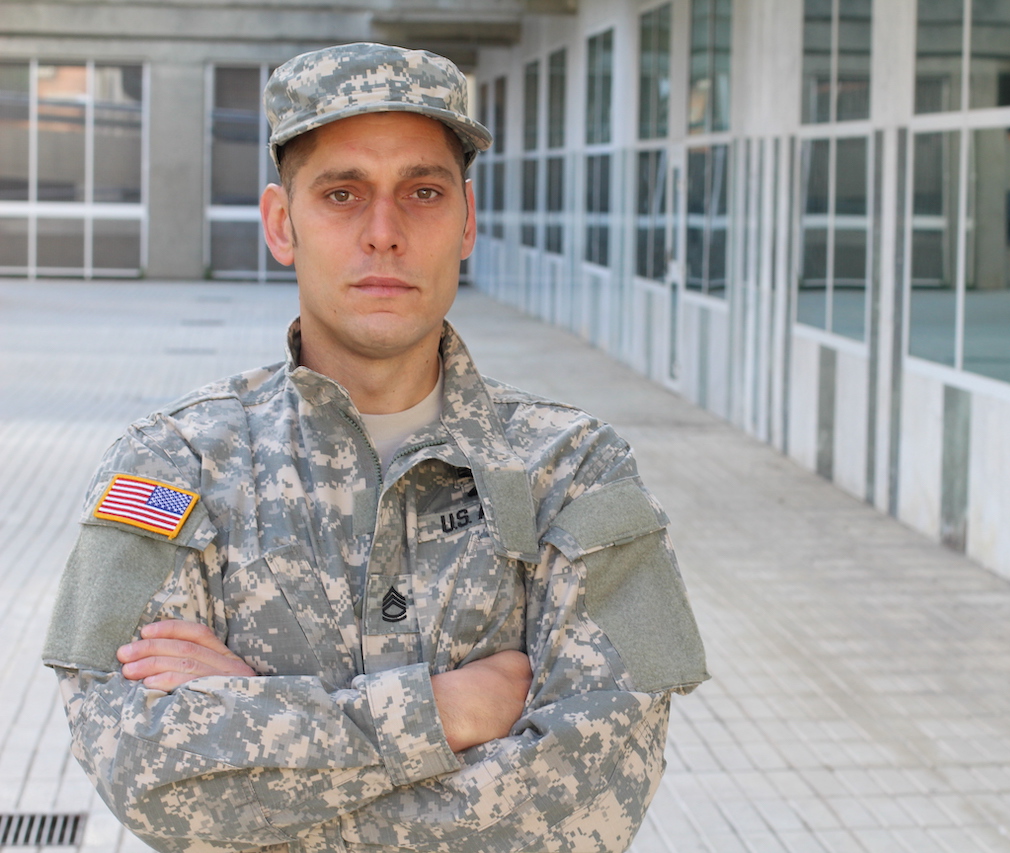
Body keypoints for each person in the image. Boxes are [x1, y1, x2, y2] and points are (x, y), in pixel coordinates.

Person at [43, 42, 708, 853]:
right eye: (343, 193)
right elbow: (145, 770)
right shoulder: (175, 462)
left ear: (467, 219)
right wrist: (451, 709)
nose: (384, 232)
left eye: (422, 192)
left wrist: (257, 713)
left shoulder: (573, 468)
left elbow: (594, 799)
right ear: (283, 224)